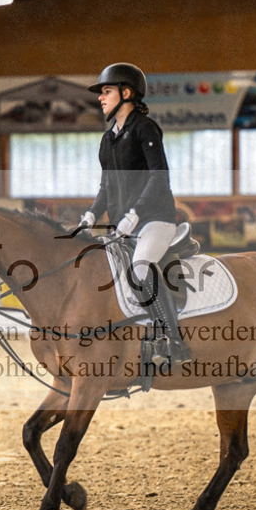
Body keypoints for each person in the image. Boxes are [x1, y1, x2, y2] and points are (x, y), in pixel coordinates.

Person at [80, 62, 191, 367]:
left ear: (126, 93)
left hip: (156, 220)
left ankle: (171, 340)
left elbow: (159, 177)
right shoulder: (107, 140)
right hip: (124, 226)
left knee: (140, 268)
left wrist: (136, 213)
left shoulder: (145, 128)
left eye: (106, 91)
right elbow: (106, 186)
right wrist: (90, 215)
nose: (100, 98)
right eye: (101, 93)